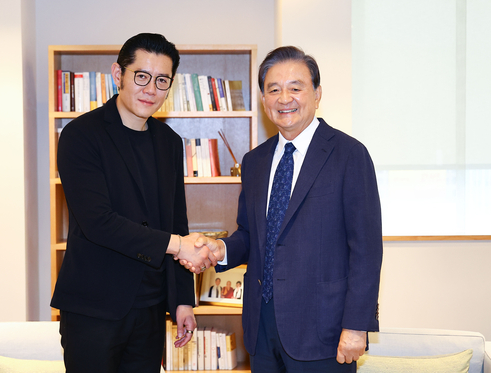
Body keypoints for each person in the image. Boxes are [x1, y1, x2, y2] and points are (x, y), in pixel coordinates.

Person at [191, 46, 383, 372]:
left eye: (296, 87)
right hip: (261, 329)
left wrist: (356, 325)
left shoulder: (349, 155)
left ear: (317, 93)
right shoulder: (254, 162)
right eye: (274, 89)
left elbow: (366, 250)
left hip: (324, 331)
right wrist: (220, 249)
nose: (285, 98)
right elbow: (251, 235)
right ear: (264, 100)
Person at [50, 33, 215, 373]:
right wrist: (177, 246)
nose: (150, 89)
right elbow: (99, 222)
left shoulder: (169, 143)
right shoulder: (80, 136)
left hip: (152, 310)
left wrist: (183, 300)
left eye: (161, 80)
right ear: (118, 74)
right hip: (93, 309)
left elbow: (176, 222)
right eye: (141, 76)